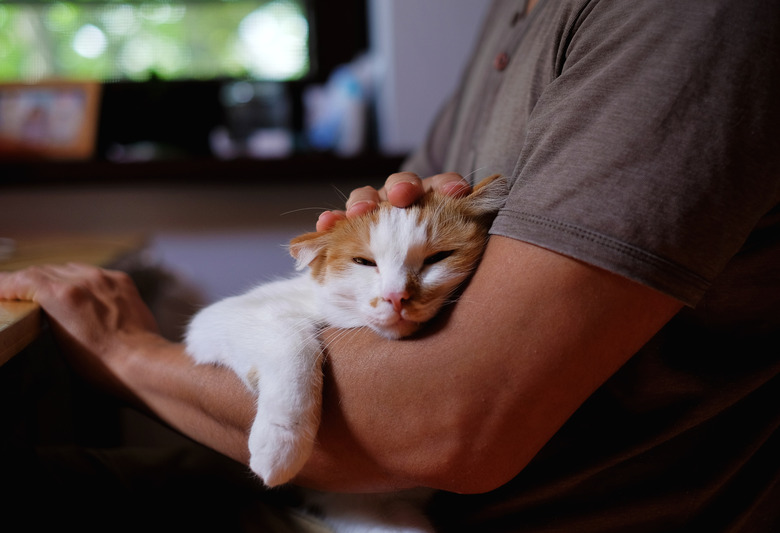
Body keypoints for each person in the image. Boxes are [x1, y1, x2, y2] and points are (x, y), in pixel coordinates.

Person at [2, 0, 779, 531]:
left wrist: (125, 353)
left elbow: (446, 426)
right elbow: (405, 213)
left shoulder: (681, 24)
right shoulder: (515, 15)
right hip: (339, 489)